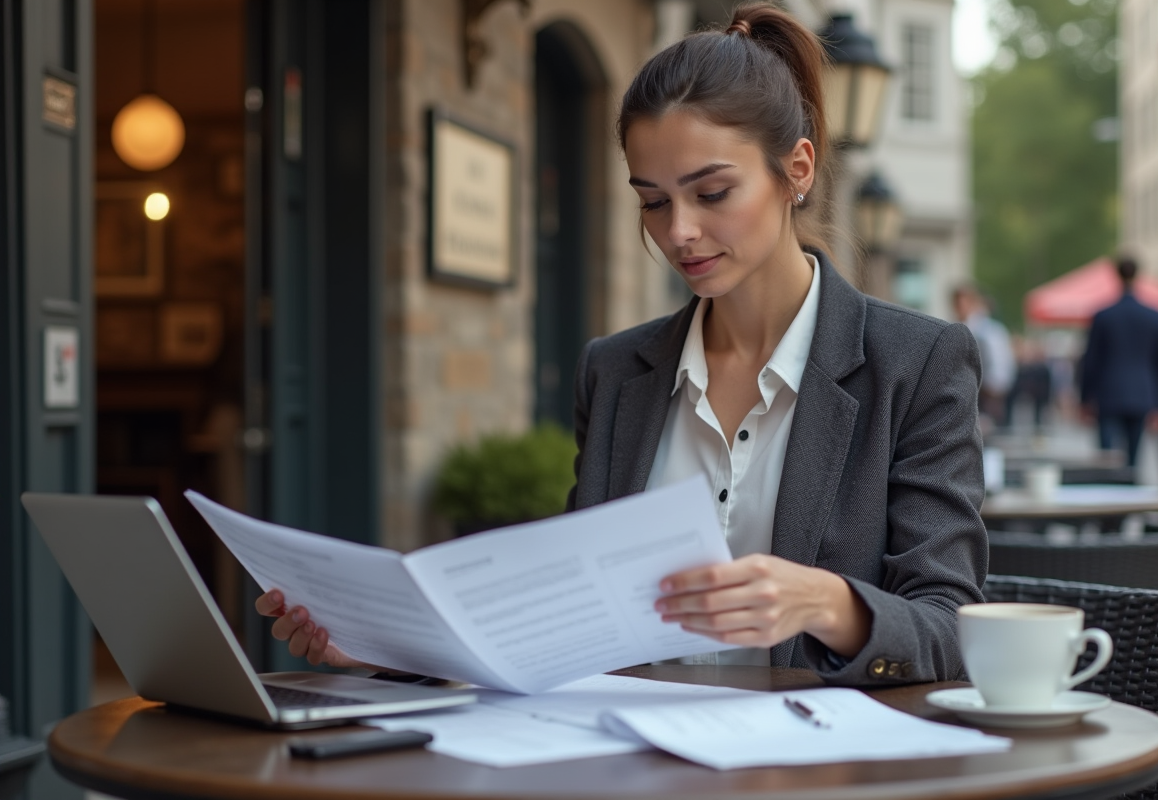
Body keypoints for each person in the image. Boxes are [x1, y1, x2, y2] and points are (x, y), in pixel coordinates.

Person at [256, 3, 988, 685]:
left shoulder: (915, 365)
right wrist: (386, 647)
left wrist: (828, 603)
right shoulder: (614, 372)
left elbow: (952, 628)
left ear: (796, 169)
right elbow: (575, 619)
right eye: (653, 201)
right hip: (631, 754)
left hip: (821, 762)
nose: (679, 232)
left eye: (711, 193)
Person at [1079, 257, 1158, 467]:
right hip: (1142, 393)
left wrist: (1084, 398)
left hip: (1108, 393)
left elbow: (1090, 360)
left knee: (1106, 461)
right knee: (1133, 459)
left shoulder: (1103, 316)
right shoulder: (1155, 317)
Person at [952, 284, 1015, 430]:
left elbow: (1001, 362)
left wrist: (994, 388)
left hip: (984, 391)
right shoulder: (964, 327)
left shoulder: (985, 330)